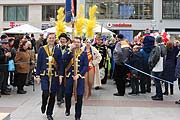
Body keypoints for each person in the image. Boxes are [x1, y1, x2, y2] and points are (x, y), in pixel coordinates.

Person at [36, 33, 63, 120]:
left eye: (53, 38)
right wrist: (37, 75)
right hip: (44, 75)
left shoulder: (58, 50)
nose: (51, 39)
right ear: (47, 39)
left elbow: (60, 64)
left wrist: (61, 75)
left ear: (55, 39)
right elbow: (39, 63)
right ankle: (44, 103)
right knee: (45, 92)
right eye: (50, 38)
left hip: (54, 75)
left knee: (52, 95)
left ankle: (49, 113)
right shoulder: (42, 49)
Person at [62, 36, 88, 120]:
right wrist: (70, 49)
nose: (76, 43)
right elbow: (63, 59)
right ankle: (68, 108)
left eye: (78, 42)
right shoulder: (69, 51)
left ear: (81, 43)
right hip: (69, 77)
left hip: (79, 78)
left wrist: (79, 75)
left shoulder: (84, 53)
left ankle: (78, 115)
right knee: (68, 94)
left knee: (79, 96)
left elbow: (85, 66)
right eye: (75, 42)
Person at [149, 36, 167, 100]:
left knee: (157, 82)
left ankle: (159, 95)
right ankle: (158, 94)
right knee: (158, 82)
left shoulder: (158, 47)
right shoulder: (163, 47)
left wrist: (151, 64)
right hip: (161, 67)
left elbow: (155, 57)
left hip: (156, 67)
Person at [56, 33, 70, 106]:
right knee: (59, 82)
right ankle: (59, 98)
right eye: (61, 39)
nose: (62, 40)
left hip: (67, 67)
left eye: (64, 39)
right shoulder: (56, 47)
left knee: (65, 83)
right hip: (58, 68)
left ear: (66, 40)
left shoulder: (69, 48)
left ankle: (63, 96)